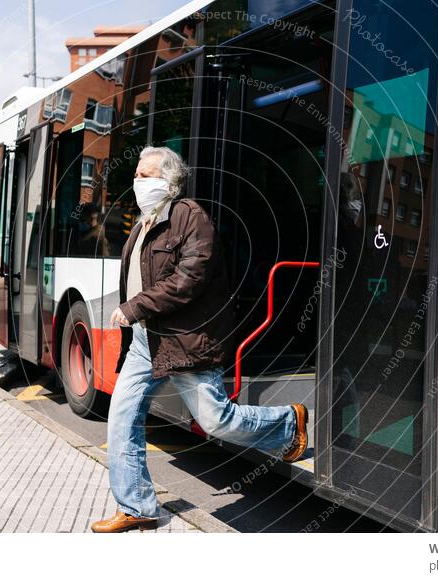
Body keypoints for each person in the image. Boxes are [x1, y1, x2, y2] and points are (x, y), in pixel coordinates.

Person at [91, 147, 308, 533]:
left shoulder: (190, 218)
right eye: (137, 175)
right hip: (145, 341)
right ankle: (137, 506)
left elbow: (189, 279)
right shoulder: (143, 223)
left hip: (185, 340)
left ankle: (287, 422)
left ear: (169, 181)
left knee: (215, 420)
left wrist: (135, 307)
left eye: (146, 175)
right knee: (121, 419)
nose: (137, 182)